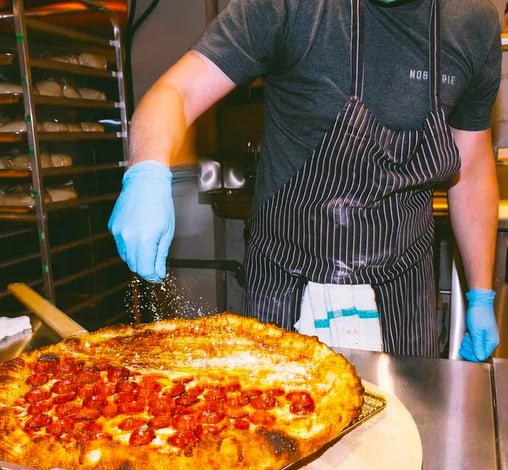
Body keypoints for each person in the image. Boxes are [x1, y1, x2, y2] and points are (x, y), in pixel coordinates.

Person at [109, 0, 501, 360]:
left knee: (407, 427)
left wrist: (481, 293)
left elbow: (474, 167)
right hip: (288, 279)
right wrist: (147, 170)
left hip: (404, 288)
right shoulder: (292, 5)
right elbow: (175, 91)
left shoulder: (471, 23)